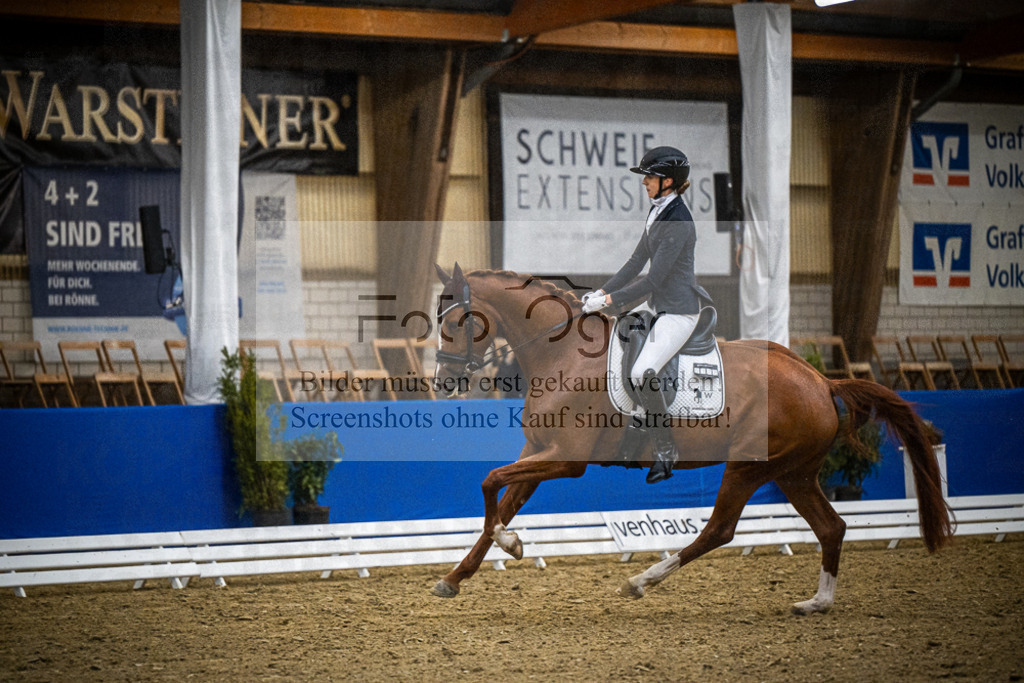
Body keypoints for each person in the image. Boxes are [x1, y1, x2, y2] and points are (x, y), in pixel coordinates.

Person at [581, 146, 710, 484]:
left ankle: (666, 449)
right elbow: (636, 262)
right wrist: (601, 291)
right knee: (618, 348)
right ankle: (636, 427)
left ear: (668, 181)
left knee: (643, 370)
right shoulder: (658, 211)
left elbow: (653, 279)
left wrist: (609, 299)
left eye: (649, 177)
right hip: (656, 306)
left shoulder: (679, 221)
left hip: (679, 312)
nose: (645, 183)